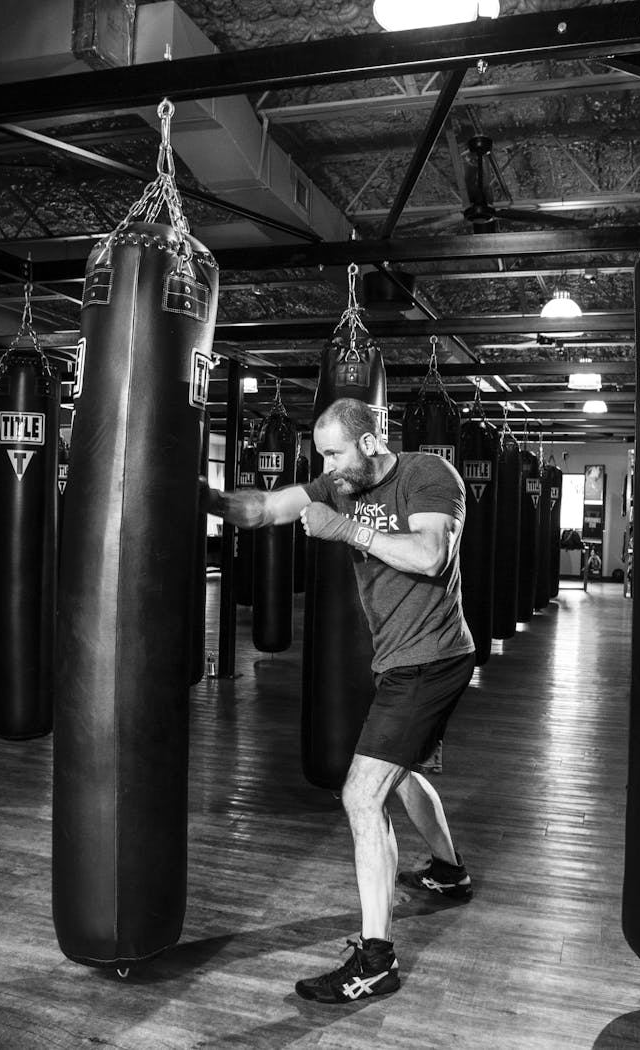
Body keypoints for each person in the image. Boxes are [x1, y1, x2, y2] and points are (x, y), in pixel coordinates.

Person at [202, 398, 476, 1004]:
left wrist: (348, 528)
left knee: (360, 794)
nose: (326, 465)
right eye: (320, 454)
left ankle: (376, 961)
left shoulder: (429, 474)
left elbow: (432, 556)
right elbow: (268, 507)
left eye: (334, 452)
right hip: (401, 659)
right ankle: (449, 872)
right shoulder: (338, 482)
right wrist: (210, 500)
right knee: (400, 777)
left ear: (372, 441)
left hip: (431, 660)